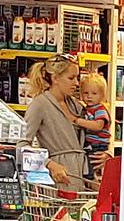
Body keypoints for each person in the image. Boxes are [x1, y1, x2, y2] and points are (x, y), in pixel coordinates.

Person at [24, 54, 91, 188]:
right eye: (71, 78)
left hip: (81, 176)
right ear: (55, 78)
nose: (76, 83)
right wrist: (49, 163)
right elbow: (22, 145)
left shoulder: (76, 105)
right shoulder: (39, 104)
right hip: (58, 179)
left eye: (77, 78)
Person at [73, 73, 111, 180]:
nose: (89, 96)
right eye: (85, 93)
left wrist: (78, 121)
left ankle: (90, 180)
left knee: (91, 166)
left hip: (97, 145)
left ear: (102, 95)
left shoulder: (100, 110)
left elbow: (98, 126)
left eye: (94, 93)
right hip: (90, 144)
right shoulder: (87, 109)